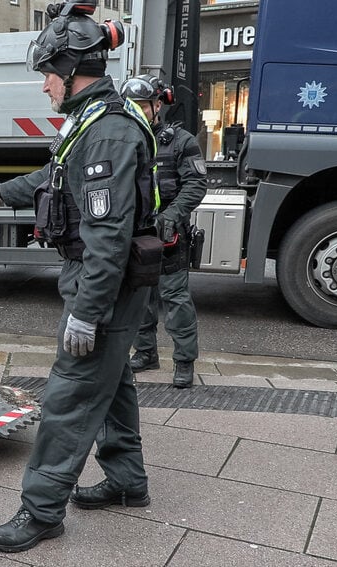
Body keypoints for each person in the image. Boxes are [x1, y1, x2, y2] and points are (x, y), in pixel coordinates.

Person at [0, 1, 158, 553]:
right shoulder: (91, 124)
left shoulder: (107, 134)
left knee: (70, 396)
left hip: (103, 286)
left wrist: (87, 312)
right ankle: (127, 481)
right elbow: (54, 177)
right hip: (106, 283)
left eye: (48, 74)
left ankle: (42, 509)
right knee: (113, 383)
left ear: (74, 70)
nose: (44, 86)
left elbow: (109, 240)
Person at [122, 74, 207, 388]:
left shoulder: (181, 141)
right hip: (135, 232)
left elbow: (196, 184)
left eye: (143, 105)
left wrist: (172, 215)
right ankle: (145, 353)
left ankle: (184, 360)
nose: (137, 111)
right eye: (132, 105)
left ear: (158, 105)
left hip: (168, 232)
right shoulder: (124, 140)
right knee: (140, 297)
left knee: (175, 298)